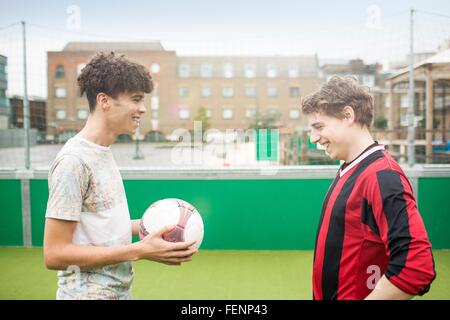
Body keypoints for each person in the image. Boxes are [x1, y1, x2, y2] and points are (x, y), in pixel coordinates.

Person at [43, 52, 197, 300]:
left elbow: (100, 230)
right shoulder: (73, 161)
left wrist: (159, 225)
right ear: (104, 101)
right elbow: (55, 254)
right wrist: (139, 250)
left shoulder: (102, 151)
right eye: (136, 99)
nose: (143, 109)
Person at [301, 76, 436, 300]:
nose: (314, 138)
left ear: (348, 116)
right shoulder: (351, 167)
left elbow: (416, 266)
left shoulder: (383, 175)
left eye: (319, 127)